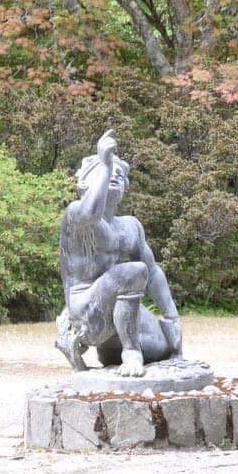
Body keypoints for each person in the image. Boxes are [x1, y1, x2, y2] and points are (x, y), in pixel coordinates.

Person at [54, 129, 183, 375]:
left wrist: (171, 318)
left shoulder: (131, 226)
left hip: (116, 302)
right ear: (84, 184)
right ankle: (130, 352)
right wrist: (104, 163)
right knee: (133, 271)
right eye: (105, 172)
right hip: (85, 308)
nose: (112, 175)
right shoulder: (76, 216)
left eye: (118, 174)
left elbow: (153, 272)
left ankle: (112, 351)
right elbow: (91, 212)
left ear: (125, 187)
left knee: (161, 348)